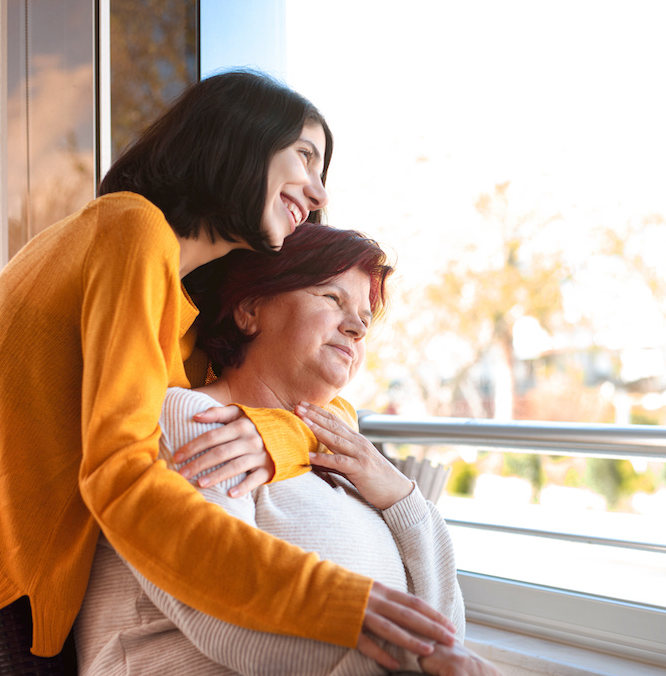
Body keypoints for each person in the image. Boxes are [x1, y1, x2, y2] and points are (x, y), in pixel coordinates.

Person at [0, 70, 454, 671]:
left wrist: (277, 433)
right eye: (305, 158)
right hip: (7, 595)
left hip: (35, 595)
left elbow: (312, 409)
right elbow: (121, 476)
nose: (318, 194)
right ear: (239, 140)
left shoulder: (178, 316)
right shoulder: (130, 230)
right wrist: (340, 605)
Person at [75, 224, 501, 675]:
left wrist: (399, 495)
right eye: (332, 299)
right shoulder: (196, 420)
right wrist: (408, 658)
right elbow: (226, 617)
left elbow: (444, 631)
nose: (357, 327)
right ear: (250, 309)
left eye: (365, 315)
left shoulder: (337, 445)